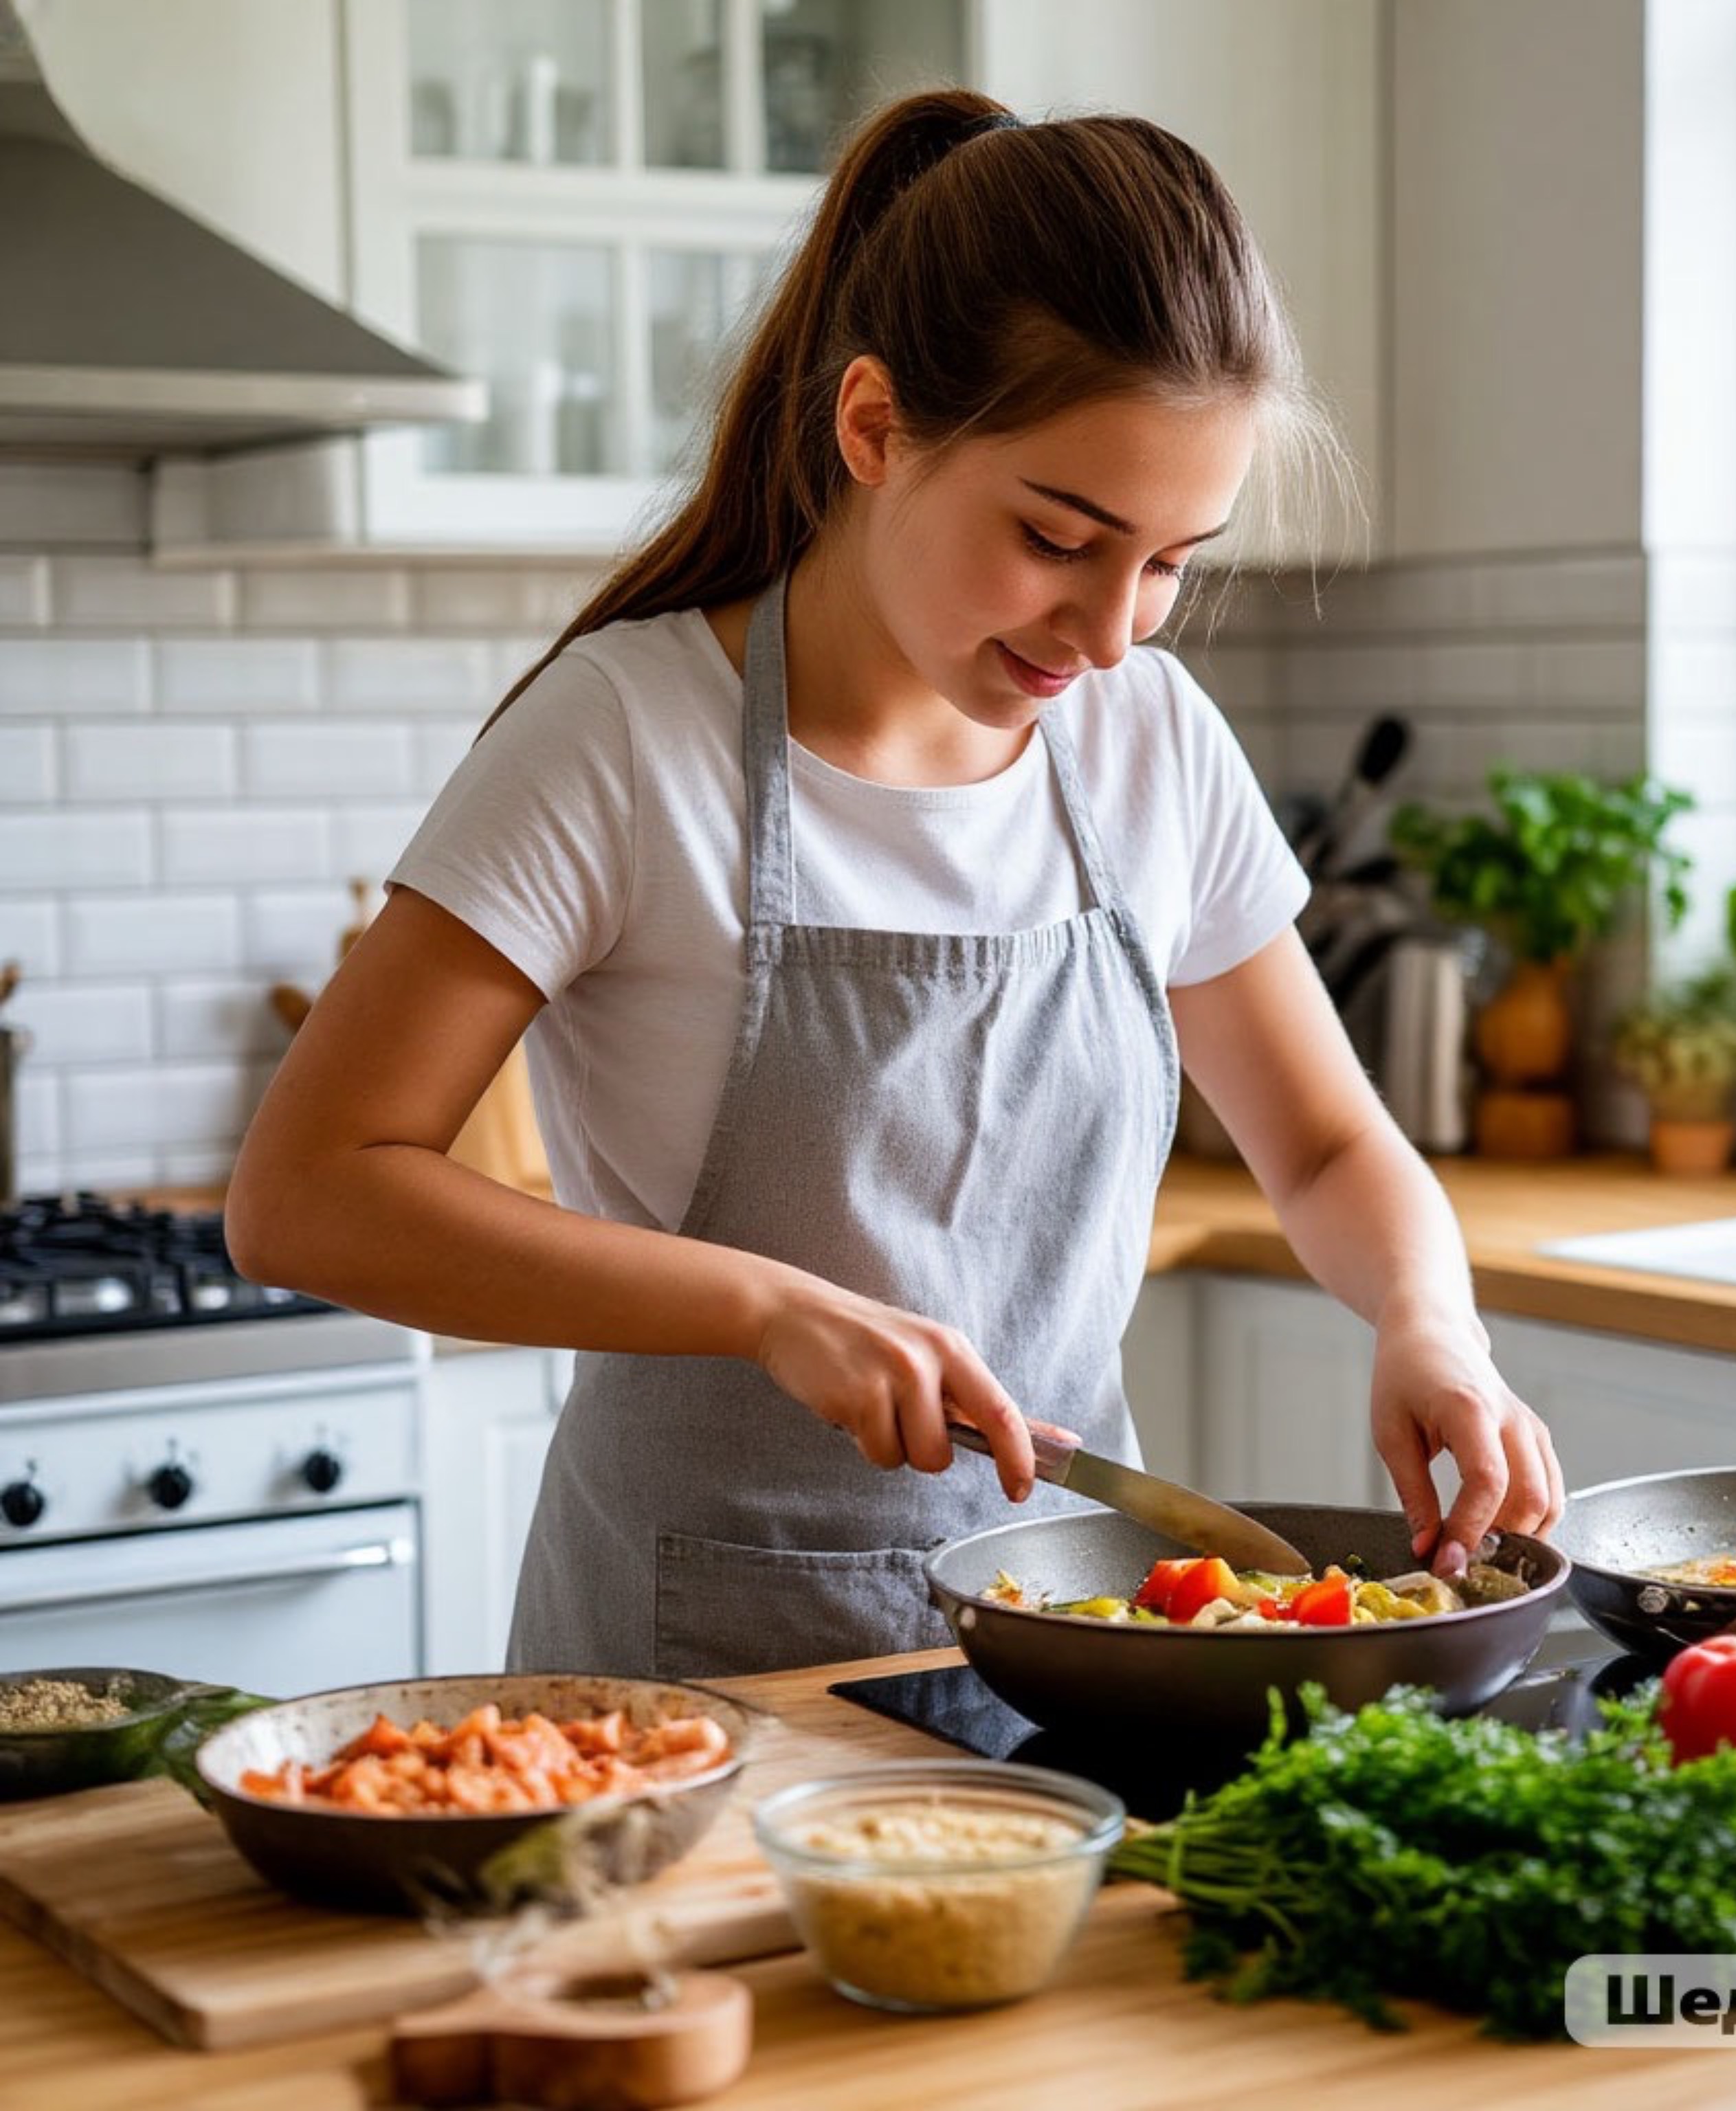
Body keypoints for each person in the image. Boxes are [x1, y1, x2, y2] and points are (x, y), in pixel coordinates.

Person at [225, 87, 1561, 1680]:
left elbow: (1334, 1144)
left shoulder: (1148, 743)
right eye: (1061, 537)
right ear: (876, 430)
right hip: (694, 1694)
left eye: (1172, 562)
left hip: (1077, 1653)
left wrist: (1431, 1326)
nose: (1116, 629)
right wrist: (762, 1308)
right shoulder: (627, 736)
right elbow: (304, 1194)